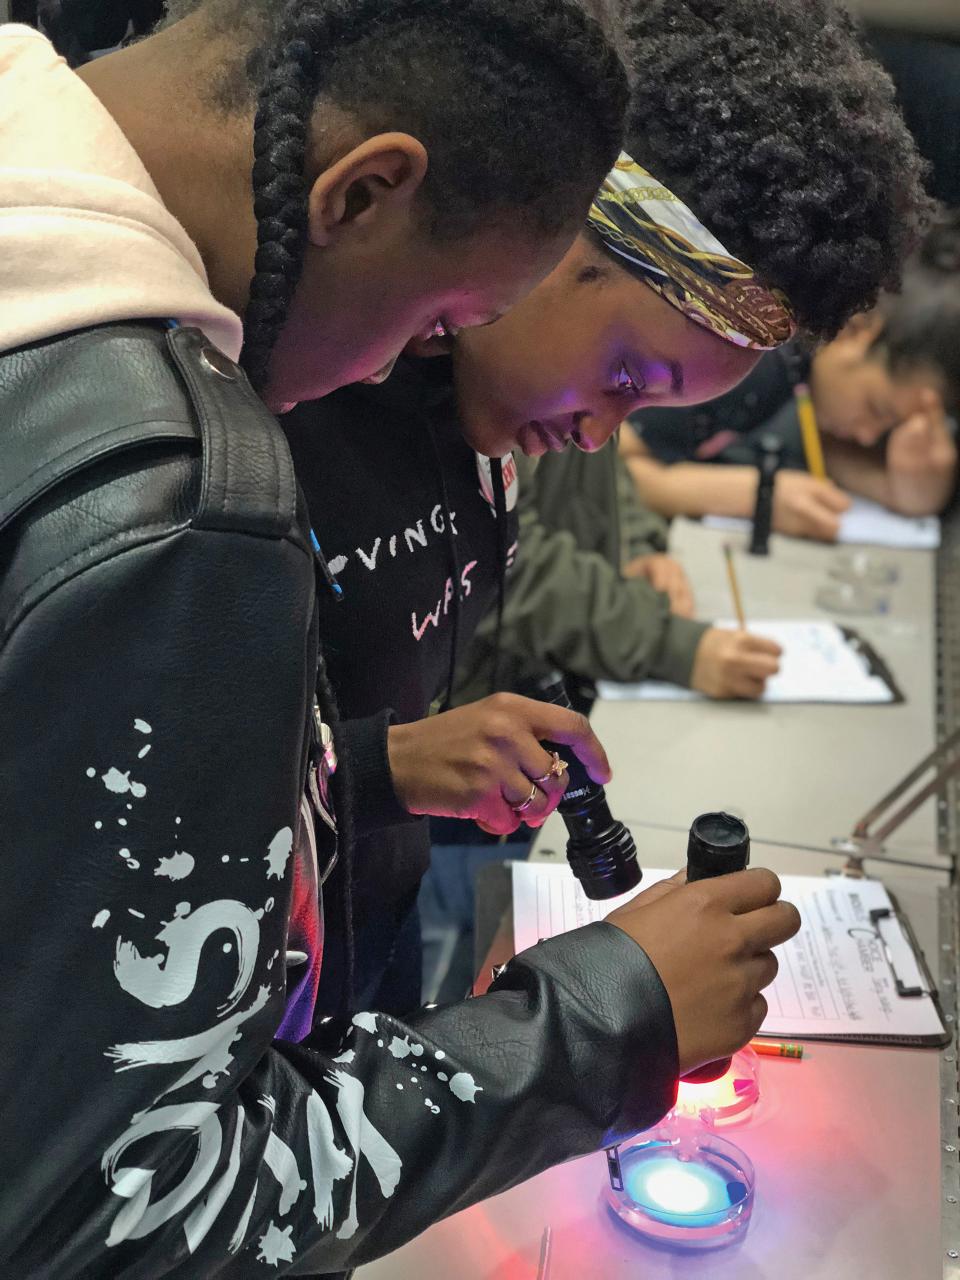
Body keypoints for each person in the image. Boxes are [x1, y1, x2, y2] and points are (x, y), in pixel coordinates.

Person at [0, 5, 786, 1277]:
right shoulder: (184, 503)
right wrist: (608, 1014)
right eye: (438, 316)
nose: (398, 372)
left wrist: (355, 772)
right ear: (364, 194)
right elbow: (124, 1216)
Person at [282, 0, 932, 1015]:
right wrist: (380, 764)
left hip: (359, 952)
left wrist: (394, 767)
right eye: (627, 372)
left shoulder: (480, 418)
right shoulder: (306, 385)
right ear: (560, 229)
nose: (599, 433)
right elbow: (152, 807)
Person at [622, 212, 960, 539]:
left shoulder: (803, 373)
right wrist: (756, 496)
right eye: (877, 409)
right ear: (858, 331)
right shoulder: (755, 358)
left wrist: (916, 487)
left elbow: (837, 459)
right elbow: (606, 470)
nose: (868, 437)